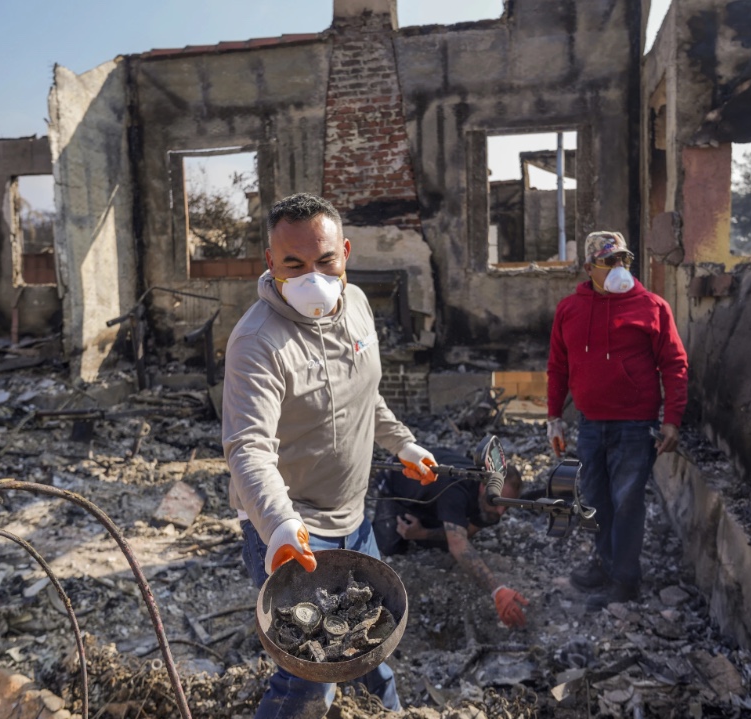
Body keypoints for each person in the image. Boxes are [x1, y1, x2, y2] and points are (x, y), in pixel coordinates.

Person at [223, 193, 440, 719]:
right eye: (293, 264)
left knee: (370, 649)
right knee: (308, 677)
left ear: (345, 253)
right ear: (270, 263)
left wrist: (402, 442)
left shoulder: (359, 305)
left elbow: (365, 391)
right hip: (296, 533)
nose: (312, 276)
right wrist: (278, 526)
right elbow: (248, 448)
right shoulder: (257, 341)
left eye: (325, 261)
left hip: (355, 523)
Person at [546, 230, 688, 611]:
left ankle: (625, 580)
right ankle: (604, 563)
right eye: (610, 261)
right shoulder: (569, 310)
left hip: (633, 425)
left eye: (624, 259)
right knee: (595, 500)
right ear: (589, 266)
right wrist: (554, 417)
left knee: (627, 502)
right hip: (591, 423)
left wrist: (671, 419)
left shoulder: (652, 307)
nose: (619, 267)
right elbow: (558, 366)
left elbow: (674, 365)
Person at [372, 447, 530, 628]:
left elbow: (466, 533)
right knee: (390, 547)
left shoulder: (491, 505)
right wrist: (497, 590)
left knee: (438, 541)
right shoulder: (456, 490)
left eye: (506, 506)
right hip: (395, 480)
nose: (501, 512)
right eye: (496, 503)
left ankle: (426, 520)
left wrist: (422, 533)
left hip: (436, 492)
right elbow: (458, 545)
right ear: (482, 487)